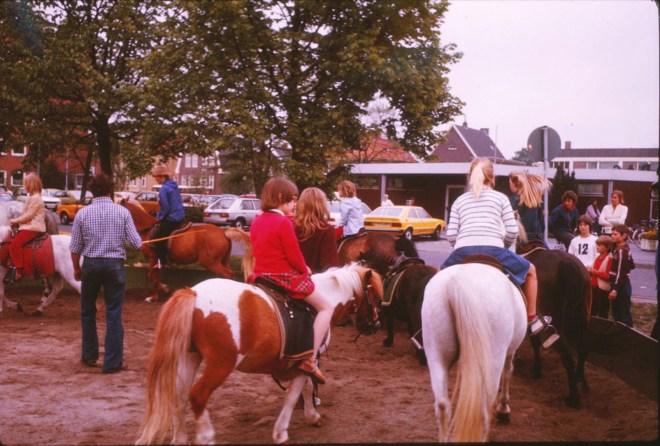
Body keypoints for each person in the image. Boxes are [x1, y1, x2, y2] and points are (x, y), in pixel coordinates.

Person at [442, 158, 552, 337]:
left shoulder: (459, 200)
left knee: (437, 278)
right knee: (531, 271)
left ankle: (425, 328)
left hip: (462, 251)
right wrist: (505, 246)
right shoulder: (501, 198)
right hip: (494, 250)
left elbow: (451, 235)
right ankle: (532, 320)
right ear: (493, 178)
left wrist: (461, 246)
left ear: (469, 177)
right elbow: (512, 231)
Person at [248, 177, 333, 384]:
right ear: (280, 197)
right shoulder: (283, 222)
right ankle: (310, 358)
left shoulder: (257, 220)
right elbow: (294, 256)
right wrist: (305, 269)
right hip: (283, 277)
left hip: (260, 276)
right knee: (326, 307)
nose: (295, 203)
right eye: (293, 199)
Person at [69, 172, 142, 374]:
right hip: (114, 266)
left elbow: (75, 247)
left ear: (92, 192)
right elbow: (136, 244)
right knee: (114, 313)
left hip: (91, 265)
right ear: (110, 191)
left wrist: (76, 268)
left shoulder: (82, 214)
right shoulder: (123, 213)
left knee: (87, 310)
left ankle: (89, 355)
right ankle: (112, 362)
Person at [5, 173, 45, 283]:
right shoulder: (33, 197)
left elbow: (28, 216)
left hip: (33, 228)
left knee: (15, 244)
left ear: (31, 185)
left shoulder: (35, 198)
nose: (25, 187)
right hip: (29, 226)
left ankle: (19, 270)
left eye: (26, 184)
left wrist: (14, 221)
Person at [294, 187, 340, 273]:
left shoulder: (292, 227)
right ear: (322, 206)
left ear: (301, 204)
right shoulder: (327, 230)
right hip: (316, 279)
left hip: (293, 278)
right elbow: (330, 267)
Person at [151, 164, 185, 268]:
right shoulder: (174, 186)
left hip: (172, 218)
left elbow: (165, 207)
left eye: (156, 177)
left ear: (162, 176)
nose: (155, 179)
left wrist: (159, 216)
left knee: (157, 238)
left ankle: (163, 262)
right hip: (180, 215)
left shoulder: (164, 188)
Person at [508, 171, 551, 247]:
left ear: (515, 184)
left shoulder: (511, 201)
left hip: (520, 241)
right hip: (537, 239)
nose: (510, 185)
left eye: (510, 183)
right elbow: (542, 226)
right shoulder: (535, 202)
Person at [608, 224, 635, 327]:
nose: (612, 236)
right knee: (618, 312)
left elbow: (620, 273)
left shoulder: (621, 251)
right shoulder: (622, 248)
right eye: (612, 234)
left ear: (624, 236)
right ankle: (620, 333)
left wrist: (615, 290)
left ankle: (627, 334)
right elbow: (632, 265)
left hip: (620, 286)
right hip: (620, 284)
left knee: (623, 315)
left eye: (615, 234)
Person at [589, 235, 613, 319]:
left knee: (602, 311)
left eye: (599, 245)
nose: (597, 247)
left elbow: (609, 276)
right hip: (594, 287)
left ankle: (602, 325)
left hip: (603, 290)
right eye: (597, 245)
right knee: (592, 310)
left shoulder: (609, 259)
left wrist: (596, 272)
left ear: (607, 247)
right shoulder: (597, 258)